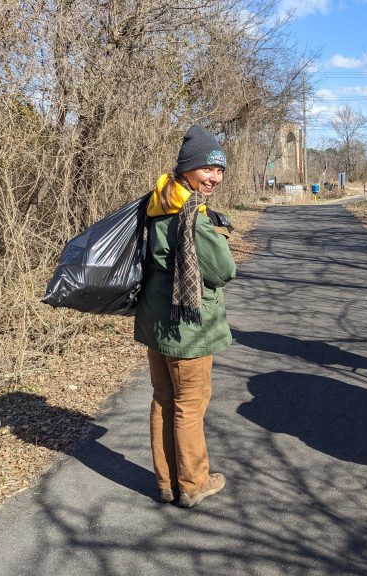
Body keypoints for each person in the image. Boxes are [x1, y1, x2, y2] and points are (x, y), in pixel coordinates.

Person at [134, 125, 237, 508]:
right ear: (188, 169)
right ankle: (193, 483)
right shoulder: (192, 212)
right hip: (187, 328)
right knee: (189, 406)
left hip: (154, 320)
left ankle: (166, 482)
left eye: (220, 170)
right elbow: (223, 270)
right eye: (208, 169)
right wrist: (219, 236)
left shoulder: (158, 201)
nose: (214, 177)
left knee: (163, 399)